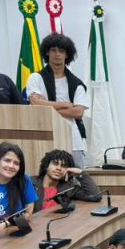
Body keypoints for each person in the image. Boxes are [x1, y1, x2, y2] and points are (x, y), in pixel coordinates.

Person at [26, 33, 89, 167]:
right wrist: (65, 105)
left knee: (75, 175)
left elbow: (78, 112)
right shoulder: (35, 78)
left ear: (67, 55)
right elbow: (35, 103)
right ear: (47, 52)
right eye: (53, 50)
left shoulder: (77, 83)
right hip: (43, 134)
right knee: (42, 172)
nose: (57, 54)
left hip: (72, 138)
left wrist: (45, 106)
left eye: (61, 51)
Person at [32, 149, 102, 212]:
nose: (59, 168)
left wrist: (80, 173)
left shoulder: (69, 187)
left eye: (63, 166)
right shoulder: (31, 183)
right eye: (55, 164)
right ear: (46, 166)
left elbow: (96, 196)